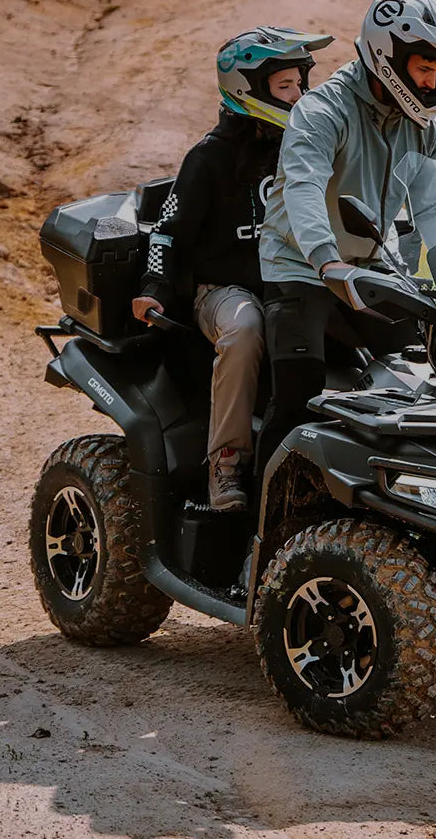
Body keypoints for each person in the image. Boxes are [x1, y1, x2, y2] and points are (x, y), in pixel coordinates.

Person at [254, 0, 436, 477]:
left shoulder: (423, 124)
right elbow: (303, 188)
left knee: (423, 379)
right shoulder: (323, 110)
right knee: (299, 395)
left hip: (369, 267)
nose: (432, 84)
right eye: (424, 71)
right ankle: (254, 524)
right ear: (387, 57)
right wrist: (325, 260)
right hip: (302, 267)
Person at [132, 26, 334, 511]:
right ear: (248, 90)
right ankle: (227, 462)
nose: (299, 95)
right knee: (246, 327)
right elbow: (167, 229)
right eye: (285, 87)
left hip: (293, 283)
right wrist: (153, 285)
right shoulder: (210, 157)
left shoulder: (306, 145)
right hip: (223, 291)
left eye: (300, 84)